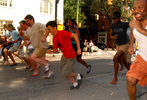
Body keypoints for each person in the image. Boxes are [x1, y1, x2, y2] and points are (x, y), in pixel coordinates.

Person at [44, 21, 83, 90]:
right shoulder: (54, 38)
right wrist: (50, 51)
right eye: (48, 29)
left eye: (49, 29)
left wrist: (79, 48)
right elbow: (55, 51)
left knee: (66, 72)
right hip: (65, 56)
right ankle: (76, 79)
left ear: (54, 28)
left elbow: (75, 35)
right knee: (64, 72)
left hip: (71, 56)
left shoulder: (62, 33)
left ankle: (76, 79)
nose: (49, 31)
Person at [126, 0, 147, 100]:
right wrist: (131, 45)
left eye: (140, 7)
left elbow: (138, 30)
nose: (136, 11)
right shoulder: (133, 22)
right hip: (143, 59)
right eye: (134, 8)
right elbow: (133, 33)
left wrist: (141, 30)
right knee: (130, 79)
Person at [109, 11, 131, 85]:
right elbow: (110, 35)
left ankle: (115, 78)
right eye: (113, 19)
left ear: (119, 18)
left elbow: (133, 25)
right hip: (118, 45)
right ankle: (136, 75)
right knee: (126, 63)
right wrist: (113, 37)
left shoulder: (124, 24)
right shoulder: (112, 25)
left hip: (125, 44)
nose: (114, 20)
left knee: (115, 58)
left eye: (115, 19)